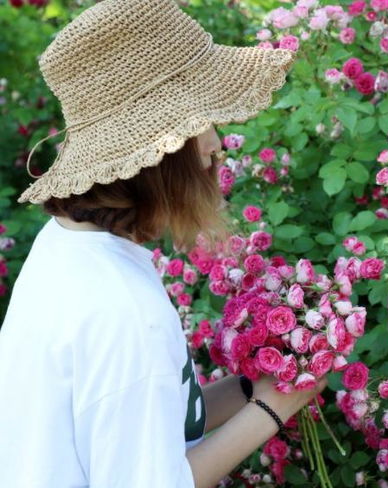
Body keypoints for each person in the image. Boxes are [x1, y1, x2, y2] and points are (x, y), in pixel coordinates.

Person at [0, 1, 327, 487]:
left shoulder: (69, 248)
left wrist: (253, 384)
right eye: (203, 121)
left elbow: (153, 419)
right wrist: (273, 409)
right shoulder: (122, 310)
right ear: (160, 150)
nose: (217, 141)